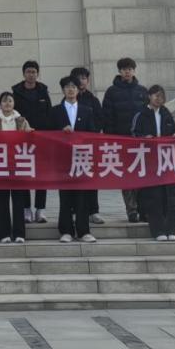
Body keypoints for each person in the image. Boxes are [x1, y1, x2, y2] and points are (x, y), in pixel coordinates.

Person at [51, 76, 99, 243]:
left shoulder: (87, 110)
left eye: (73, 87)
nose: (70, 89)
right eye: (67, 87)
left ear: (78, 90)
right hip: (63, 158)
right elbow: (48, 133)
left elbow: (92, 133)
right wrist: (60, 131)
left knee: (82, 195)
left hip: (81, 157)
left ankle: (83, 230)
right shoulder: (56, 111)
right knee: (65, 195)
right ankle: (66, 230)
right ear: (63, 90)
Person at [131, 85, 175, 241]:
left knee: (171, 195)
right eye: (156, 95)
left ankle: (172, 229)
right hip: (151, 160)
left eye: (161, 96)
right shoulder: (141, 114)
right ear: (149, 96)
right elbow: (133, 135)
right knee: (154, 196)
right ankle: (158, 230)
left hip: (167, 159)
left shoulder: (166, 113)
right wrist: (144, 138)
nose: (159, 99)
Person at [102, 57, 148, 223]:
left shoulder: (142, 91)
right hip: (121, 141)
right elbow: (107, 118)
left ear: (134, 70)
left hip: (140, 142)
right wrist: (112, 138)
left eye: (130, 69)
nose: (127, 72)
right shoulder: (112, 92)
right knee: (127, 176)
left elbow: (148, 115)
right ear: (119, 71)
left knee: (142, 175)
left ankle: (144, 209)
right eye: (124, 69)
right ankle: (131, 210)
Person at [12, 60, 52, 224]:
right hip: (22, 139)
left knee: (41, 174)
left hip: (41, 139)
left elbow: (49, 114)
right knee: (24, 173)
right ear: (24, 74)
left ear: (37, 74)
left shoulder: (43, 91)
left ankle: (40, 209)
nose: (31, 74)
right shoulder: (16, 92)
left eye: (34, 72)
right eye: (28, 71)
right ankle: (26, 208)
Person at [0, 92, 30, 244]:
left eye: (10, 101)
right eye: (4, 101)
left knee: (18, 200)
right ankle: (3, 233)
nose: (7, 104)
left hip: (18, 164)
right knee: (2, 200)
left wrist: (30, 133)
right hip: (0, 164)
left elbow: (29, 138)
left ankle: (19, 233)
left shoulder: (21, 120)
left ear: (14, 104)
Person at [71, 66, 105, 226]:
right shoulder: (67, 100)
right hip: (71, 148)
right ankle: (74, 210)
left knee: (91, 179)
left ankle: (93, 211)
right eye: (78, 78)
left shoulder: (93, 100)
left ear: (88, 81)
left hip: (90, 146)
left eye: (84, 78)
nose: (81, 81)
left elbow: (100, 120)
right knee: (73, 179)